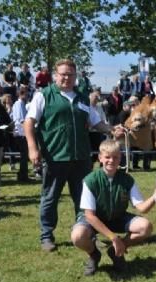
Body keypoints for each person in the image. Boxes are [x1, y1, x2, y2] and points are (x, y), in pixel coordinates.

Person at [24, 58, 124, 252]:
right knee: (50, 197)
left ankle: (86, 233)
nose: (66, 78)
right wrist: (32, 147)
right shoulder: (43, 95)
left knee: (84, 199)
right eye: (62, 74)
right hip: (55, 157)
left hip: (81, 158)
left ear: (75, 76)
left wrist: (112, 129)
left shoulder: (82, 98)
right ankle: (47, 235)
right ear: (55, 76)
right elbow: (29, 122)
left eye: (70, 74)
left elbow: (96, 123)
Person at [71, 139, 156, 276]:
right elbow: (90, 216)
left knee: (145, 227)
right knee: (78, 236)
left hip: (117, 217)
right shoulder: (90, 180)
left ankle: (115, 252)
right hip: (93, 219)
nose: (111, 161)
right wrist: (113, 237)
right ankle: (94, 255)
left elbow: (142, 208)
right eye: (107, 157)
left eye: (115, 157)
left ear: (121, 158)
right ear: (100, 158)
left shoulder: (127, 180)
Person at [11, 87, 31, 182]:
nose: (28, 95)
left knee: (24, 155)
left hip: (21, 133)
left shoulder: (21, 104)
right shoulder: (19, 104)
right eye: (27, 93)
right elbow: (21, 120)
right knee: (24, 155)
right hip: (21, 134)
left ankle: (23, 174)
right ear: (22, 94)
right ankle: (23, 175)